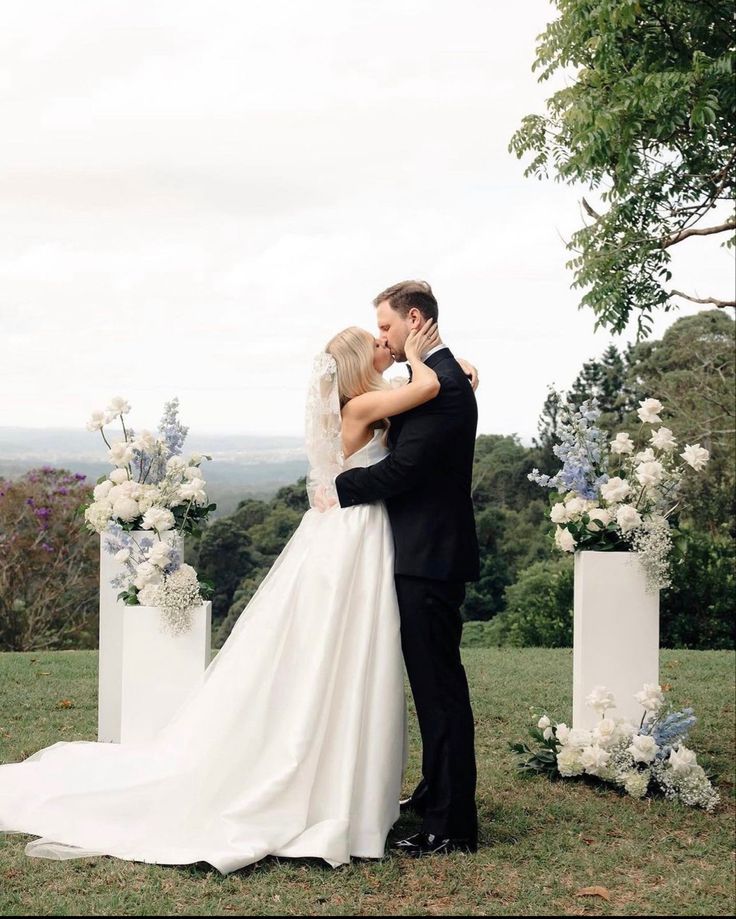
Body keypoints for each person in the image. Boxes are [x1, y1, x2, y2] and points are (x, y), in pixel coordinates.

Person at [0, 317, 453, 874]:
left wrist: (423, 361)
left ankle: (345, 781)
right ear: (360, 362)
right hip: (351, 536)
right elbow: (430, 388)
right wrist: (434, 355)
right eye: (378, 342)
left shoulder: (368, 400)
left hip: (354, 533)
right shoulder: (362, 408)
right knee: (334, 647)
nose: (387, 345)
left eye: (387, 336)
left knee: (346, 648)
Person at [335, 280, 480, 857]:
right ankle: (434, 793)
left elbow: (402, 475)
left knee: (440, 691)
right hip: (421, 555)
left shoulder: (442, 386)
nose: (383, 338)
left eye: (388, 327)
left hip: (430, 561)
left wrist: (337, 486)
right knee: (433, 688)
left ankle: (452, 826)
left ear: (413, 319)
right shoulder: (439, 377)